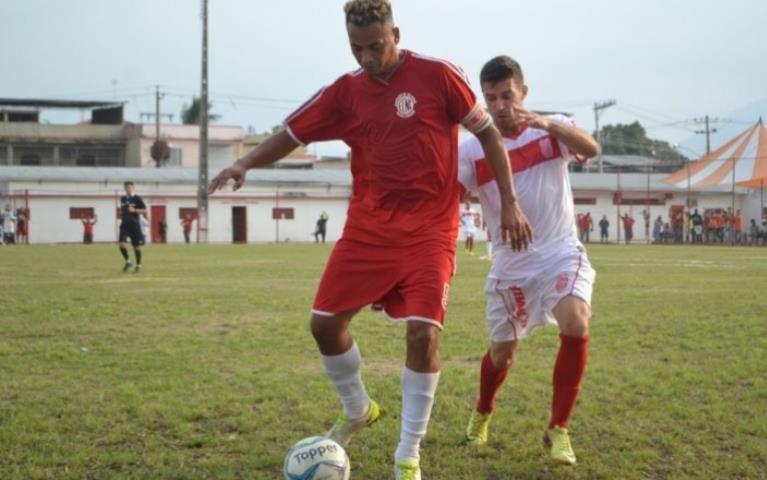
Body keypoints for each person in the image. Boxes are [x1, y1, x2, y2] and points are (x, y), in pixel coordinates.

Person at [207, 3, 531, 478]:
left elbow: (488, 135)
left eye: (376, 46)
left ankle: (407, 454)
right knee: (323, 325)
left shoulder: (439, 76)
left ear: (395, 34)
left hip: (429, 229)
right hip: (370, 226)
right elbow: (292, 134)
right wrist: (244, 164)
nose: (367, 58)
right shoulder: (345, 93)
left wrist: (510, 202)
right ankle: (358, 407)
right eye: (357, 49)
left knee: (422, 334)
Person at [458, 55, 600, 466]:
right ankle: (483, 410)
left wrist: (545, 123)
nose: (500, 106)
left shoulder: (551, 127)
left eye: (506, 95)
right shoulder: (473, 149)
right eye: (490, 99)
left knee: (577, 320)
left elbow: (592, 147)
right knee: (503, 354)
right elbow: (449, 196)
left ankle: (559, 429)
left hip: (559, 250)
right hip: (511, 264)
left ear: (523, 92)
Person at [118, 181, 147, 273]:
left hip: (134, 225)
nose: (128, 189)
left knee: (136, 247)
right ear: (124, 189)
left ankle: (138, 265)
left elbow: (145, 210)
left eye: (130, 187)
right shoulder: (122, 199)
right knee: (121, 244)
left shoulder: (137, 198)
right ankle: (128, 261)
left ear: (133, 188)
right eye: (127, 187)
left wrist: (135, 210)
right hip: (124, 225)